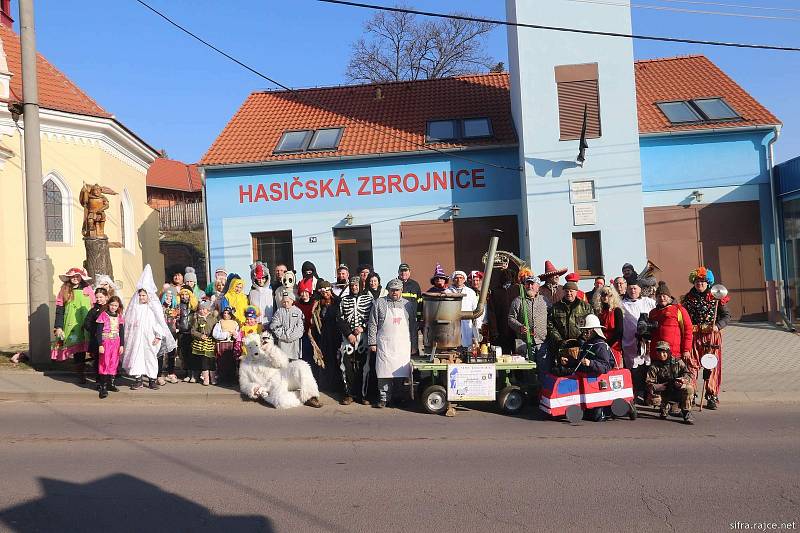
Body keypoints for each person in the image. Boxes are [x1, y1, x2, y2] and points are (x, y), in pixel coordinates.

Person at [682, 266, 730, 410]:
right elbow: (684, 318)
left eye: (702, 281)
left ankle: (711, 395)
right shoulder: (688, 299)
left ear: (708, 282)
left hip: (712, 337)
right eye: (697, 281)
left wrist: (718, 326)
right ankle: (691, 393)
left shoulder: (717, 298)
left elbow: (727, 316)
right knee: (691, 364)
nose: (700, 284)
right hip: (694, 336)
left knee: (711, 365)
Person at [123, 265, 176, 390]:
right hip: (137, 337)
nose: (142, 297)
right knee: (136, 356)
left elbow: (159, 322)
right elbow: (129, 321)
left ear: (148, 296)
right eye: (140, 295)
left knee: (150, 357)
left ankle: (152, 379)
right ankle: (138, 379)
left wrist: (158, 336)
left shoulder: (154, 307)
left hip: (150, 337)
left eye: (144, 295)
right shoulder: (135, 307)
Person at [367, 279, 417, 408]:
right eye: (392, 290)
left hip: (402, 345)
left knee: (401, 373)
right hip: (384, 344)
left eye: (397, 290)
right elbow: (372, 324)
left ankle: (398, 397)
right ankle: (384, 398)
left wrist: (414, 345)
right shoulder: (379, 303)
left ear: (401, 290)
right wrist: (372, 342)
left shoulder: (408, 305)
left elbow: (413, 326)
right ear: (388, 290)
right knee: (384, 373)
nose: (394, 292)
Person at [51, 267, 95, 384]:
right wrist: (58, 326)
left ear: (81, 277)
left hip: (86, 322)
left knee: (91, 347)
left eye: (77, 276)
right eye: (73, 277)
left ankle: (100, 372)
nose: (75, 278)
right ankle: (81, 373)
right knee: (78, 350)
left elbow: (94, 305)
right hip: (71, 324)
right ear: (69, 278)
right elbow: (59, 309)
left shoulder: (88, 289)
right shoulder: (64, 290)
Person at [337, 276, 374, 405]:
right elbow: (340, 318)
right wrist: (348, 334)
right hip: (348, 338)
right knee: (345, 366)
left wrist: (363, 327)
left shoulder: (369, 299)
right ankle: (349, 394)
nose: (354, 287)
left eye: (356, 285)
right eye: (352, 285)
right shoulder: (344, 300)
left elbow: (372, 316)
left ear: (361, 286)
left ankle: (364, 395)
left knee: (365, 367)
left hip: (363, 338)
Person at [620, 280, 656, 402]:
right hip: (630, 341)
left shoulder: (648, 302)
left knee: (648, 365)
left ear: (640, 289)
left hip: (648, 341)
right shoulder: (622, 304)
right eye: (630, 288)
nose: (633, 290)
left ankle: (649, 393)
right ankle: (637, 391)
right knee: (635, 369)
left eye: (635, 288)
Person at [646, 341, 695, 424]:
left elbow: (688, 374)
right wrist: (657, 386)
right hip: (663, 390)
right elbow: (648, 382)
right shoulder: (654, 366)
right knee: (655, 399)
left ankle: (686, 412)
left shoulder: (677, 361)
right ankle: (665, 407)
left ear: (668, 352)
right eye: (659, 353)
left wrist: (682, 381)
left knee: (689, 388)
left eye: (664, 352)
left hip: (677, 388)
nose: (662, 355)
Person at [508, 276, 548, 371]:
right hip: (525, 342)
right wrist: (519, 327)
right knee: (527, 371)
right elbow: (510, 318)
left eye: (532, 284)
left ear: (538, 286)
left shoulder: (545, 301)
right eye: (528, 284)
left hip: (542, 342)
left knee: (543, 370)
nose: (529, 286)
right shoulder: (518, 301)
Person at [546, 280, 592, 357]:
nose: (569, 293)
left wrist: (583, 338)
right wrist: (559, 340)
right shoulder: (556, 307)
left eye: (571, 291)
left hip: (581, 343)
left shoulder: (585, 307)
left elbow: (591, 324)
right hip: (561, 344)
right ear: (563, 292)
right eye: (566, 291)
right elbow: (550, 324)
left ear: (576, 292)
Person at [311, 281, 342, 392]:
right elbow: (315, 317)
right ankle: (328, 384)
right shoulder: (320, 303)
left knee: (337, 359)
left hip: (336, 334)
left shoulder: (337, 301)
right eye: (323, 292)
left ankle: (339, 384)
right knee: (327, 359)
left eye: (327, 291)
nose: (326, 294)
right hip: (324, 335)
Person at [95, 296, 124, 399]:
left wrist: (121, 345)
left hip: (116, 342)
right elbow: (98, 331)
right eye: (112, 305)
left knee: (113, 362)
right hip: (106, 342)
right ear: (108, 305)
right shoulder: (103, 315)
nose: (113, 307)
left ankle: (111, 383)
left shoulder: (119, 316)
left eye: (115, 305)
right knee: (104, 363)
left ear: (118, 306)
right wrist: (100, 345)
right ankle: (103, 387)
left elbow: (121, 331)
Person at [487, 268, 520, 355]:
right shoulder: (495, 292)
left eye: (508, 276)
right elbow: (491, 313)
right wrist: (494, 331)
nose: (506, 278)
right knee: (503, 356)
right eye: (504, 276)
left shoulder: (518, 290)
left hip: (517, 330)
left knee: (518, 355)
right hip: (501, 330)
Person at [591, 286, 624, 368]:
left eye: (608, 295)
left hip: (614, 344)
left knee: (615, 369)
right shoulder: (599, 311)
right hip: (601, 343)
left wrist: (609, 344)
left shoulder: (617, 311)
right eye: (603, 295)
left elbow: (619, 331)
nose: (605, 297)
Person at [270, 287, 305, 361]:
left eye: (287, 301)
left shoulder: (298, 312)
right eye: (284, 302)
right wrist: (284, 336)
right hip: (283, 344)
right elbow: (274, 325)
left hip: (294, 345)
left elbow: (300, 327)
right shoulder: (279, 312)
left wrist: (291, 336)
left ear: (292, 301)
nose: (286, 303)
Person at [447, 270, 480, 347]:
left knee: (467, 345)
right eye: (456, 278)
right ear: (453, 279)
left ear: (464, 279)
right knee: (452, 344)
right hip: (452, 322)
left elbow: (476, 309)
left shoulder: (470, 292)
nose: (459, 280)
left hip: (466, 322)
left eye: (461, 278)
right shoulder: (447, 292)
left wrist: (478, 326)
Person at [84, 287, 109, 386]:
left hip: (110, 340)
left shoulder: (110, 308)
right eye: (97, 297)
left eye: (101, 297)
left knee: (109, 359)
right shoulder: (93, 310)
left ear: (106, 297)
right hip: (98, 340)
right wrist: (95, 331)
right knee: (99, 360)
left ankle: (110, 380)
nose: (99, 299)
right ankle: (99, 381)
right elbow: (86, 323)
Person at [190, 300, 218, 386]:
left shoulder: (213, 318)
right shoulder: (197, 319)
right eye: (200, 309)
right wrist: (200, 335)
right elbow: (193, 331)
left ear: (208, 310)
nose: (202, 311)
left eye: (204, 309)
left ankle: (213, 378)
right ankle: (206, 378)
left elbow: (217, 328)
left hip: (211, 342)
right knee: (204, 360)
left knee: (212, 360)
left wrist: (215, 337)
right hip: (201, 343)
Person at [212, 306, 241, 384]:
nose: (226, 315)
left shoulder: (235, 323)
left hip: (232, 344)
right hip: (222, 344)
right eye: (224, 313)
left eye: (228, 313)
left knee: (232, 362)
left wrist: (235, 334)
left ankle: (231, 378)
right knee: (222, 362)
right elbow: (215, 334)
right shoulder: (219, 323)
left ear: (231, 315)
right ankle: (222, 378)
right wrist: (226, 334)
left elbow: (238, 334)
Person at [398, 263, 422, 354]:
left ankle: (413, 357)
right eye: (402, 271)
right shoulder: (393, 284)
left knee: (413, 343)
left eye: (406, 271)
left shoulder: (415, 285)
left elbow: (420, 303)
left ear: (409, 272)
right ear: (398, 272)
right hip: (398, 320)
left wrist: (419, 319)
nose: (404, 273)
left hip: (412, 320)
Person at [175, 287, 196, 383]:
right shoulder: (178, 305)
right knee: (184, 354)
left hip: (191, 333)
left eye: (186, 294)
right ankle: (187, 373)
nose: (184, 296)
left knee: (192, 354)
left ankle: (193, 374)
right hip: (182, 332)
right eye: (182, 294)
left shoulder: (194, 305)